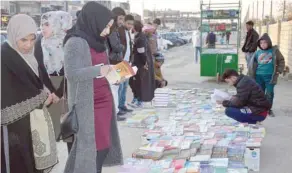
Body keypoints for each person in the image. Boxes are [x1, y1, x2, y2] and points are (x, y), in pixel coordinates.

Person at [63, 2, 123, 173]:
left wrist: (114, 76)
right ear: (93, 21)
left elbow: (104, 67)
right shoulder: (74, 41)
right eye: (106, 27)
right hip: (87, 104)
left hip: (104, 100)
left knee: (103, 147)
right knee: (90, 151)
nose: (107, 31)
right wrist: (99, 70)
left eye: (109, 27)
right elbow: (72, 73)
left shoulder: (98, 41)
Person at [1, 14, 57, 173]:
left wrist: (45, 93)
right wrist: (41, 99)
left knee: (31, 162)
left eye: (32, 39)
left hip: (31, 124)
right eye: (23, 40)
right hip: (13, 129)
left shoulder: (29, 56)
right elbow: (6, 100)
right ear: (13, 35)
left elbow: (35, 83)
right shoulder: (4, 57)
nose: (28, 45)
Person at [36, 11, 72, 141]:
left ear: (58, 24)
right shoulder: (40, 42)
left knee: (70, 127)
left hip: (67, 87)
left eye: (47, 24)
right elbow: (40, 67)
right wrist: (51, 91)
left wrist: (58, 93)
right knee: (52, 132)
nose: (43, 28)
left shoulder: (69, 43)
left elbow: (71, 70)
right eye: (41, 24)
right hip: (48, 88)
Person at [248, 33, 285, 117]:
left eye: (265, 42)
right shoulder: (257, 53)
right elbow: (252, 65)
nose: (263, 44)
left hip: (270, 77)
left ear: (269, 42)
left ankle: (268, 109)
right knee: (260, 93)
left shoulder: (274, 51)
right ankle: (261, 108)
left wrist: (279, 70)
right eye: (261, 43)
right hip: (258, 76)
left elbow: (281, 60)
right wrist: (250, 75)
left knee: (269, 93)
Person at [107, 7, 127, 119]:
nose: (121, 22)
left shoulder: (114, 29)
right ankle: (114, 114)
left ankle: (116, 112)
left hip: (116, 62)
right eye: (120, 19)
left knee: (116, 88)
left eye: (122, 19)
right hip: (113, 62)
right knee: (114, 89)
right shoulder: (112, 29)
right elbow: (115, 46)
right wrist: (122, 46)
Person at [131, 20, 155, 107]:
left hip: (140, 64)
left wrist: (145, 63)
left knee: (139, 82)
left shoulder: (140, 38)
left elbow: (142, 52)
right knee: (137, 82)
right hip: (140, 63)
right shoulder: (140, 36)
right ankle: (139, 99)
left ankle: (140, 100)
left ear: (134, 28)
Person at [117, 14, 134, 114]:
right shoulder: (120, 31)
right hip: (120, 62)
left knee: (125, 86)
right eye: (128, 23)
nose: (130, 26)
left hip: (127, 62)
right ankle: (118, 107)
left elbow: (129, 46)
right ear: (124, 22)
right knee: (120, 86)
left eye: (131, 24)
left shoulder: (128, 32)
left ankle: (122, 105)